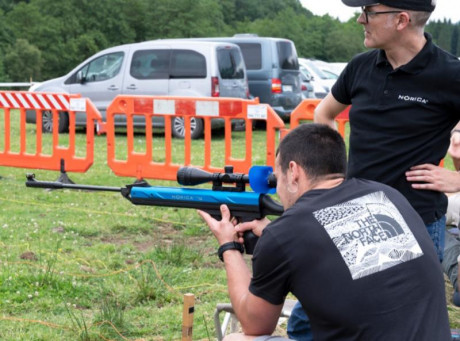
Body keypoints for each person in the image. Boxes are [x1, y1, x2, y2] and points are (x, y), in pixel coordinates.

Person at [295, 0, 460, 338]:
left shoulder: (450, 74)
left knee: (400, 327)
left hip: (414, 221)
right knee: (306, 321)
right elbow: (323, 114)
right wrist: (332, 176)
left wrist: (457, 179)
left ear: (401, 19)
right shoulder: (360, 67)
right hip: (352, 217)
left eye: (369, 12)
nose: (360, 19)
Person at [198, 124, 451, 340]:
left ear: (294, 171)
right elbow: (345, 247)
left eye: (278, 175)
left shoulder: (285, 234)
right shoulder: (385, 195)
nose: (279, 189)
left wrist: (228, 246)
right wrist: (277, 236)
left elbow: (255, 323)